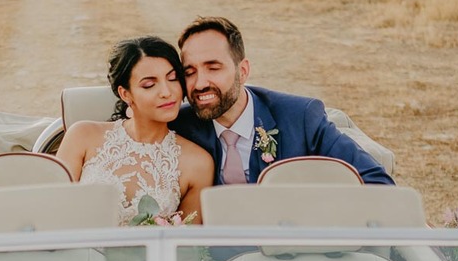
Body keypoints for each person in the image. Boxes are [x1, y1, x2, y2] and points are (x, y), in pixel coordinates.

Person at [169, 16, 395, 186]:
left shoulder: (300, 117)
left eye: (213, 68)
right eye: (189, 71)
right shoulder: (179, 125)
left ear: (243, 71)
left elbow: (375, 181)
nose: (199, 84)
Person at [56, 36, 214, 225]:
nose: (166, 91)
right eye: (149, 85)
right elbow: (53, 211)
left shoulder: (199, 163)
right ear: (126, 94)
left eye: (173, 79)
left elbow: (186, 246)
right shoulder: (82, 136)